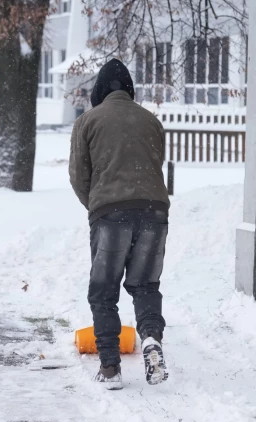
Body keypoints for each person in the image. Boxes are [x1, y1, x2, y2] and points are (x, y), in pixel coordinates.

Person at [69, 58, 170, 390]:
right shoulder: (151, 121)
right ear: (129, 90)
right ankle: (151, 338)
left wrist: (97, 206)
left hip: (110, 212)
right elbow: (155, 164)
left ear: (99, 91)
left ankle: (110, 367)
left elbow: (78, 175)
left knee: (104, 290)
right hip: (155, 212)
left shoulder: (87, 121)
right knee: (145, 286)